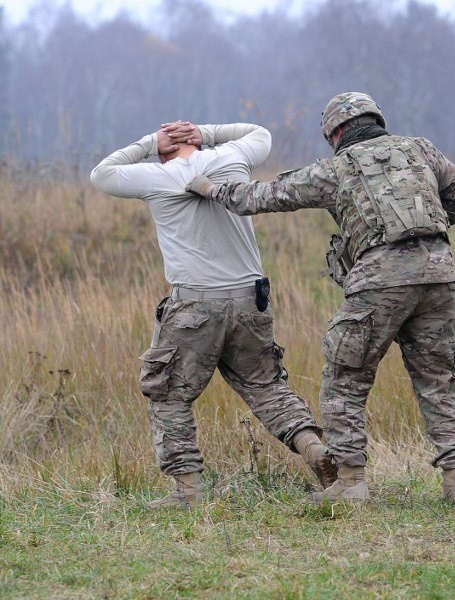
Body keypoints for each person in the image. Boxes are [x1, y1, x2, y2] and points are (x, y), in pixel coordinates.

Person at [186, 92, 455, 506]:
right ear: (376, 119)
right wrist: (422, 228)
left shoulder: (335, 168)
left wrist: (212, 189)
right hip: (440, 278)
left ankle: (351, 482)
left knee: (345, 380)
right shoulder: (422, 150)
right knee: (437, 382)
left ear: (337, 132)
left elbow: (264, 197)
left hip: (377, 283)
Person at [90, 121, 336, 509]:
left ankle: (186, 493)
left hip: (195, 307)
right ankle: (315, 450)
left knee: (168, 393)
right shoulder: (232, 157)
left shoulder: (159, 176)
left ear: (164, 150)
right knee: (266, 386)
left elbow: (101, 174)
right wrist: (205, 132)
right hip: (250, 301)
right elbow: (260, 134)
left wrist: (151, 141)